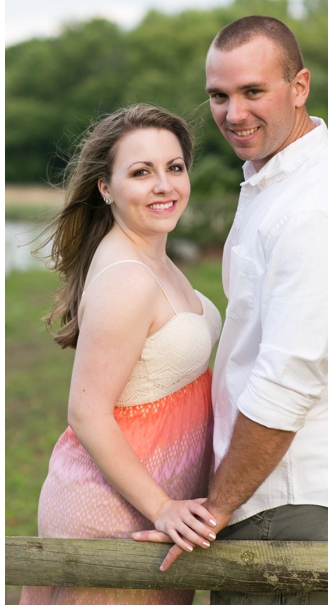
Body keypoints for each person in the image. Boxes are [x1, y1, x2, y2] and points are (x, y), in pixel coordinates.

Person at [134, 16, 328, 604]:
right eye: (219, 96)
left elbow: (288, 381)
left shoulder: (317, 209)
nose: (234, 113)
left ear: (299, 87)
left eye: (253, 92)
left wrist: (217, 508)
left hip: (287, 494)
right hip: (274, 487)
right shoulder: (274, 180)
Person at [20, 104, 222, 605]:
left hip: (151, 507)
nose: (165, 186)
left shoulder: (154, 257)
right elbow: (86, 413)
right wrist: (162, 508)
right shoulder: (127, 277)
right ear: (105, 188)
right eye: (141, 172)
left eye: (174, 168)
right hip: (115, 515)